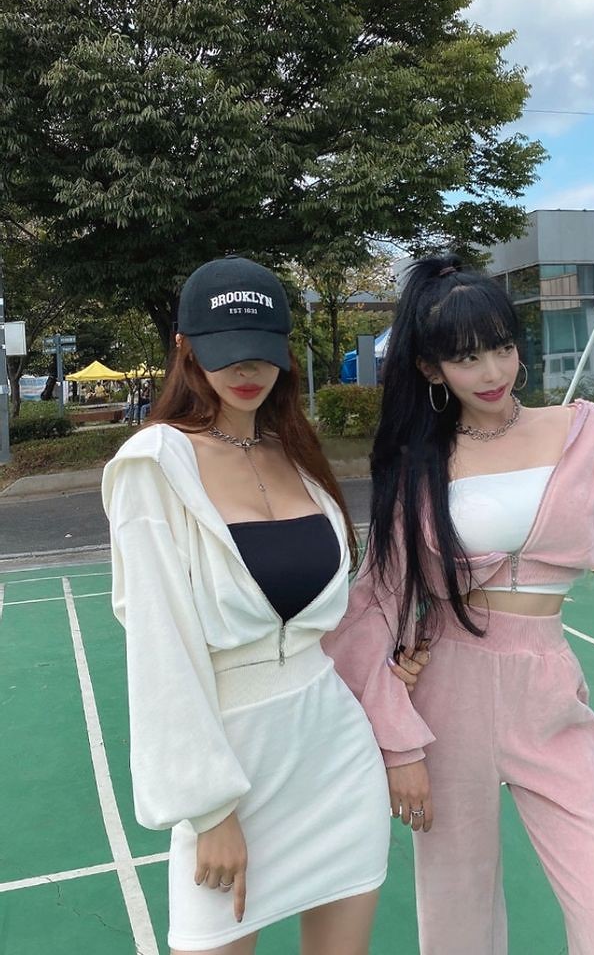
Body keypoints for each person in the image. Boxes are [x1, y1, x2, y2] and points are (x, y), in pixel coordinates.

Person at [323, 254, 594, 955]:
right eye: (466, 357)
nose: (493, 371)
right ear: (430, 370)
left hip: (547, 683)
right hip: (446, 689)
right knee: (456, 914)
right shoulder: (418, 461)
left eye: (503, 347)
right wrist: (398, 744)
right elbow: (379, 601)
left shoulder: (579, 429)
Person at [102, 255, 418, 955]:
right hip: (232, 770)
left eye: (262, 350)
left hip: (336, 758)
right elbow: (160, 649)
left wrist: (395, 672)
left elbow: (331, 619)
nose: (247, 369)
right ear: (185, 348)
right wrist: (210, 808)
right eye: (225, 351)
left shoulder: (295, 452)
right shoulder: (154, 464)